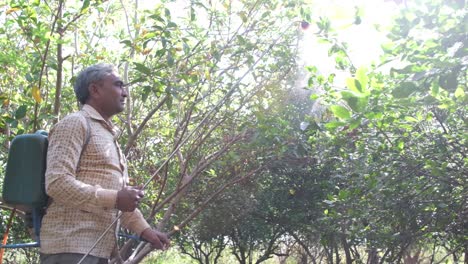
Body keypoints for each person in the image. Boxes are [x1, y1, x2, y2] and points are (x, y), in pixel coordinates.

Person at [40, 63, 170, 264]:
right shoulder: (75, 122)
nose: (125, 93)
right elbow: (57, 183)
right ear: (95, 89)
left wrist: (145, 231)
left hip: (100, 252)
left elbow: (116, 203)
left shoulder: (108, 136)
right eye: (119, 85)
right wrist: (116, 198)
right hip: (70, 248)